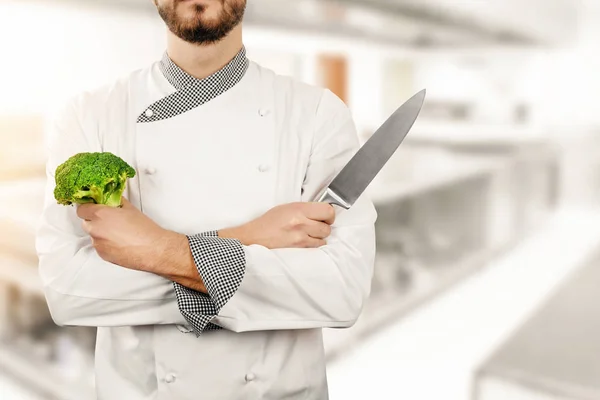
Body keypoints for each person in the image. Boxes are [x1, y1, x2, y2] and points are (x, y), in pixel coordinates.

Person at [35, 0, 377, 399]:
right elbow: (68, 293)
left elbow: (341, 292)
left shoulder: (318, 115)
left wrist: (157, 251)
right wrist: (251, 238)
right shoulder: (88, 115)